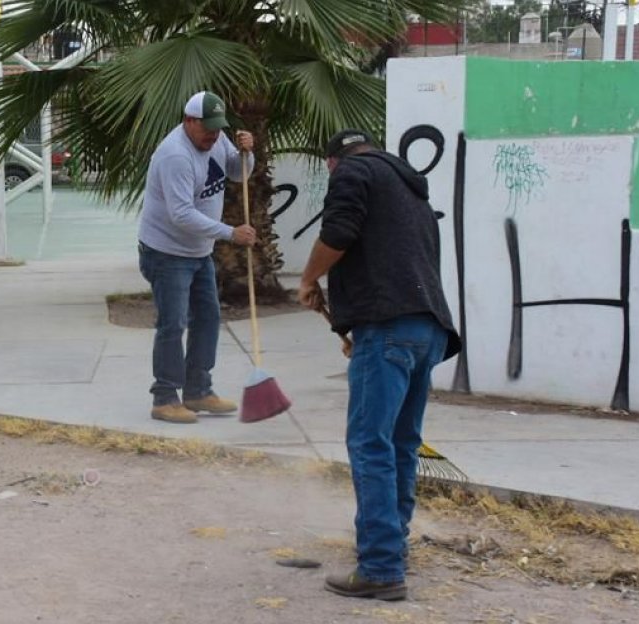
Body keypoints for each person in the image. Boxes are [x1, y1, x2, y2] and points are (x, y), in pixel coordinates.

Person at [297, 129, 462, 601]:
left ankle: (381, 567)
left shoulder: (352, 172)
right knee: (401, 444)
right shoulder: (409, 187)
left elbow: (339, 233)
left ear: (332, 162)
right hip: (426, 329)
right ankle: (393, 549)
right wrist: (354, 326)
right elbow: (389, 260)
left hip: (390, 329)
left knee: (371, 445)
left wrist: (309, 278)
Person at [137, 91, 257, 424]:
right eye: (207, 129)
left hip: (198, 251)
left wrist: (247, 153)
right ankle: (164, 398)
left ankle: (198, 391)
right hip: (166, 252)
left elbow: (238, 173)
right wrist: (231, 233)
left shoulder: (216, 139)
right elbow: (181, 214)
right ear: (189, 121)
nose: (214, 136)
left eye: (219, 128)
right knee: (173, 323)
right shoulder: (175, 155)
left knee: (207, 318)